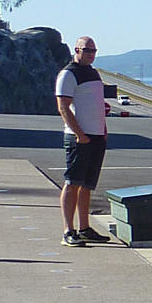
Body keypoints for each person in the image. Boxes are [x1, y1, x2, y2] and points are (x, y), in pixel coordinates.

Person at [56, 36, 110, 246]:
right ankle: (68, 230)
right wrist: (80, 135)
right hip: (79, 137)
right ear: (76, 50)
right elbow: (63, 107)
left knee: (87, 185)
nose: (91, 54)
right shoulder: (68, 74)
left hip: (97, 136)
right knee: (73, 182)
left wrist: (103, 131)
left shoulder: (93, 73)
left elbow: (97, 105)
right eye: (87, 50)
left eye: (94, 51)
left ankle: (85, 227)